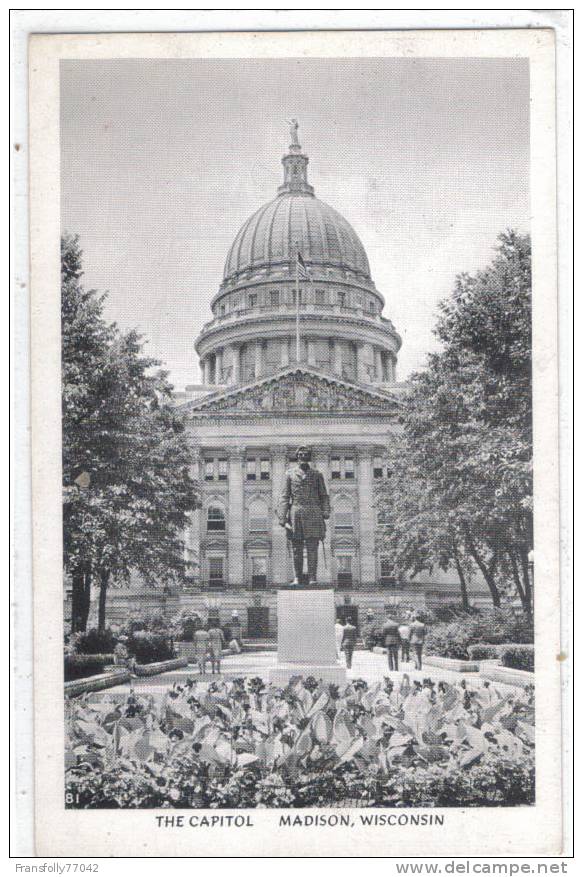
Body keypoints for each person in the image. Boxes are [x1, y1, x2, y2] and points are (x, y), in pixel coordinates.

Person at [277, 446, 330, 585]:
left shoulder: (317, 475)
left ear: (309, 457)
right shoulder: (289, 474)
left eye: (306, 455)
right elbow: (284, 496)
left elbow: (324, 495)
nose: (303, 457)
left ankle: (312, 578)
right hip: (296, 513)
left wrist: (325, 511)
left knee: (313, 547)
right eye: (300, 455)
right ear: (297, 457)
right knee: (296, 548)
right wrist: (282, 518)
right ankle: (297, 578)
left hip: (313, 512)